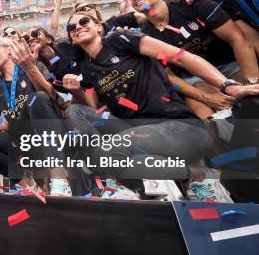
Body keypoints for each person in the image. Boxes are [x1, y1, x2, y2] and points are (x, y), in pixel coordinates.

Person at [63, 11, 259, 198]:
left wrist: (227, 85)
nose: (77, 27)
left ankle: (197, 176)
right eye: (71, 27)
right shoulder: (87, 68)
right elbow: (92, 109)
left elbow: (181, 56)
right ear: (71, 39)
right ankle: (109, 167)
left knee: (109, 151)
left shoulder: (120, 39)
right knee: (75, 111)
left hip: (181, 128)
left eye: (84, 21)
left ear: (99, 27)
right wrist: (76, 91)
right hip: (135, 130)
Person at [127, 0, 258, 118]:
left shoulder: (192, 4)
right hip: (195, 79)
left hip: (229, 65)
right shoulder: (146, 37)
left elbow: (237, 39)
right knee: (205, 113)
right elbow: (169, 75)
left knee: (251, 99)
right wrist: (206, 98)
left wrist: (253, 81)